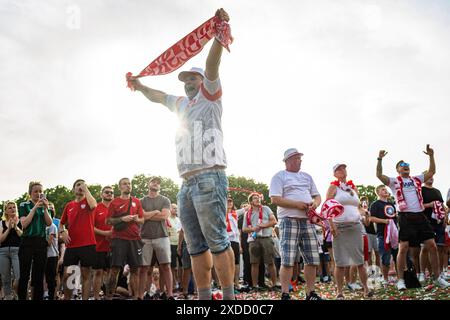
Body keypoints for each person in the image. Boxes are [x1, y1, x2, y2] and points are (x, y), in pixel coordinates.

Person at [129, 8, 235, 300]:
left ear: (202, 82)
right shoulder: (181, 105)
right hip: (186, 183)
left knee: (218, 242)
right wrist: (139, 87)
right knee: (196, 246)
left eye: (193, 79)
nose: (189, 82)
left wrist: (218, 34)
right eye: (186, 79)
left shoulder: (210, 95)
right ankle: (203, 298)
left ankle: (227, 297)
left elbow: (213, 66)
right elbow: (160, 97)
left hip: (210, 177)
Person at [376, 145, 450, 290]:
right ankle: (401, 280)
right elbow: (379, 175)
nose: (406, 166)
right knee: (403, 248)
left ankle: (437, 276)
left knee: (432, 245)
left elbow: (432, 171)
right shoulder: (394, 181)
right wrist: (379, 159)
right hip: (405, 216)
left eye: (407, 165)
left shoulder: (416, 179)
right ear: (398, 169)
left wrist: (431, 156)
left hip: (420, 216)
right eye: (403, 165)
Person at [269, 148, 323, 300]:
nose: (299, 160)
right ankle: (285, 293)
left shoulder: (307, 176)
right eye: (295, 158)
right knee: (287, 259)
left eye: (300, 158)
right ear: (287, 161)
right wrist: (296, 205)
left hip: (308, 221)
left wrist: (315, 203)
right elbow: (275, 199)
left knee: (312, 259)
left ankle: (310, 292)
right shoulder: (279, 176)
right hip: (289, 220)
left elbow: (317, 196)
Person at [327, 164, 372, 299]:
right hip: (339, 227)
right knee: (340, 262)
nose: (342, 170)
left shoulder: (353, 187)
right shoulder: (333, 187)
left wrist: (365, 213)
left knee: (359, 261)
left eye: (344, 168)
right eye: (338, 169)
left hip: (355, 226)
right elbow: (327, 207)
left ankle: (366, 288)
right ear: (334, 174)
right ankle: (339, 292)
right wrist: (331, 225)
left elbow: (358, 207)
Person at [106, 178, 144, 300]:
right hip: (119, 239)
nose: (128, 186)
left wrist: (136, 219)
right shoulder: (114, 202)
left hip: (135, 239)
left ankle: (136, 297)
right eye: (125, 184)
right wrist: (123, 219)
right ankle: (109, 297)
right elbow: (108, 221)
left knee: (135, 269)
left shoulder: (137, 201)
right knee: (115, 269)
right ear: (120, 187)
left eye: (129, 184)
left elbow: (142, 219)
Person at [59, 179, 97, 300]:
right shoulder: (69, 205)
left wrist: (86, 189)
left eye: (82, 184)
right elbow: (61, 223)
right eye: (78, 185)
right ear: (73, 189)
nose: (80, 187)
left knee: (86, 275)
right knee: (68, 275)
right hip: (72, 246)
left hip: (87, 244)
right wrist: (62, 232)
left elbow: (94, 205)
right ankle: (68, 298)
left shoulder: (88, 201)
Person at [139, 177, 173, 300]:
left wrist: (148, 214)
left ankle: (169, 294)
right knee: (145, 268)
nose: (156, 184)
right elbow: (141, 215)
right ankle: (146, 294)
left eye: (158, 183)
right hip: (145, 237)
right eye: (153, 182)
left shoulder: (165, 200)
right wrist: (155, 212)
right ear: (148, 184)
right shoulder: (141, 201)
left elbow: (164, 216)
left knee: (166, 266)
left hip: (162, 237)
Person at [18, 181, 53, 300]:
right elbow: (24, 224)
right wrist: (34, 207)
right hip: (27, 241)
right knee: (24, 274)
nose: (38, 194)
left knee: (38, 275)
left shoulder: (44, 206)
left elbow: (49, 223)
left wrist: (46, 209)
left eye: (40, 191)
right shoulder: (24, 204)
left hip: (40, 242)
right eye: (36, 191)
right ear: (30, 193)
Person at [242, 193, 278, 292]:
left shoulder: (266, 208)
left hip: (266, 238)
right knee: (254, 263)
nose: (257, 200)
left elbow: (274, 221)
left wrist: (263, 225)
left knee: (270, 262)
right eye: (255, 198)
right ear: (250, 201)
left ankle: (274, 285)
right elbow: (244, 229)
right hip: (253, 240)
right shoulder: (247, 213)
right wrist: (253, 228)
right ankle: (254, 286)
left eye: (258, 198)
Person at [420, 175, 449, 281]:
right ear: (424, 179)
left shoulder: (437, 191)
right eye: (428, 176)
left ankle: (440, 273)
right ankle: (423, 273)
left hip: (439, 222)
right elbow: (419, 205)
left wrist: (445, 218)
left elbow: (441, 205)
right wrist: (430, 205)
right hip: (426, 222)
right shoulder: (421, 190)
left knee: (440, 248)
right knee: (425, 248)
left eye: (432, 176)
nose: (431, 177)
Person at [369, 185, 399, 285]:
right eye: (383, 189)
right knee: (385, 257)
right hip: (382, 234)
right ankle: (385, 279)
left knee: (397, 256)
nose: (385, 191)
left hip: (394, 235)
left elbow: (395, 218)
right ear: (378, 192)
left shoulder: (392, 204)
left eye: (386, 189)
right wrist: (384, 221)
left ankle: (400, 279)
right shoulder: (375, 204)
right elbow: (371, 218)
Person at [93, 185, 114, 300]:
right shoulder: (96, 208)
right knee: (98, 272)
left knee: (112, 273)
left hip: (113, 246)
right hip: (99, 246)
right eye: (107, 192)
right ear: (101, 194)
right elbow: (91, 227)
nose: (109, 194)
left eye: (111, 192)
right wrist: (105, 234)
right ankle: (96, 297)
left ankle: (109, 297)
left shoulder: (116, 208)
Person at [0, 201, 23, 300]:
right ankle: (8, 297)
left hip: (17, 251)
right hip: (3, 252)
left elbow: (23, 236)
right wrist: (9, 229)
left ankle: (18, 295)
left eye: (14, 207)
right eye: (10, 208)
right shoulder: (1, 223)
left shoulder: (21, 221)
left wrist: (16, 227)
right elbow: (1, 239)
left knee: (18, 276)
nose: (12, 209)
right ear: (6, 211)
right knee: (5, 277)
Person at [226, 197, 241, 292]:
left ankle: (236, 282)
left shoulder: (236, 213)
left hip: (235, 240)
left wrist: (258, 196)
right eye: (227, 201)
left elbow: (247, 208)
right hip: (225, 240)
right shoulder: (220, 213)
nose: (229, 202)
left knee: (236, 263)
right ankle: (228, 283)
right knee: (227, 263)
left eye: (231, 201)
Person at [167, 203, 182, 291]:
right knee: (172, 266)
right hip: (170, 244)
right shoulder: (167, 219)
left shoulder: (179, 219)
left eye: (177, 208)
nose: (175, 210)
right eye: (173, 208)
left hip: (180, 244)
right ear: (169, 209)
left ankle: (180, 282)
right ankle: (173, 284)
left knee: (181, 265)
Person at [44, 218, 59, 300]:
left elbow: (49, 243)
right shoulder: (40, 225)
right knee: (42, 278)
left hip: (52, 255)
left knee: (51, 279)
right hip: (42, 256)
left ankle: (51, 296)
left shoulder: (52, 226)